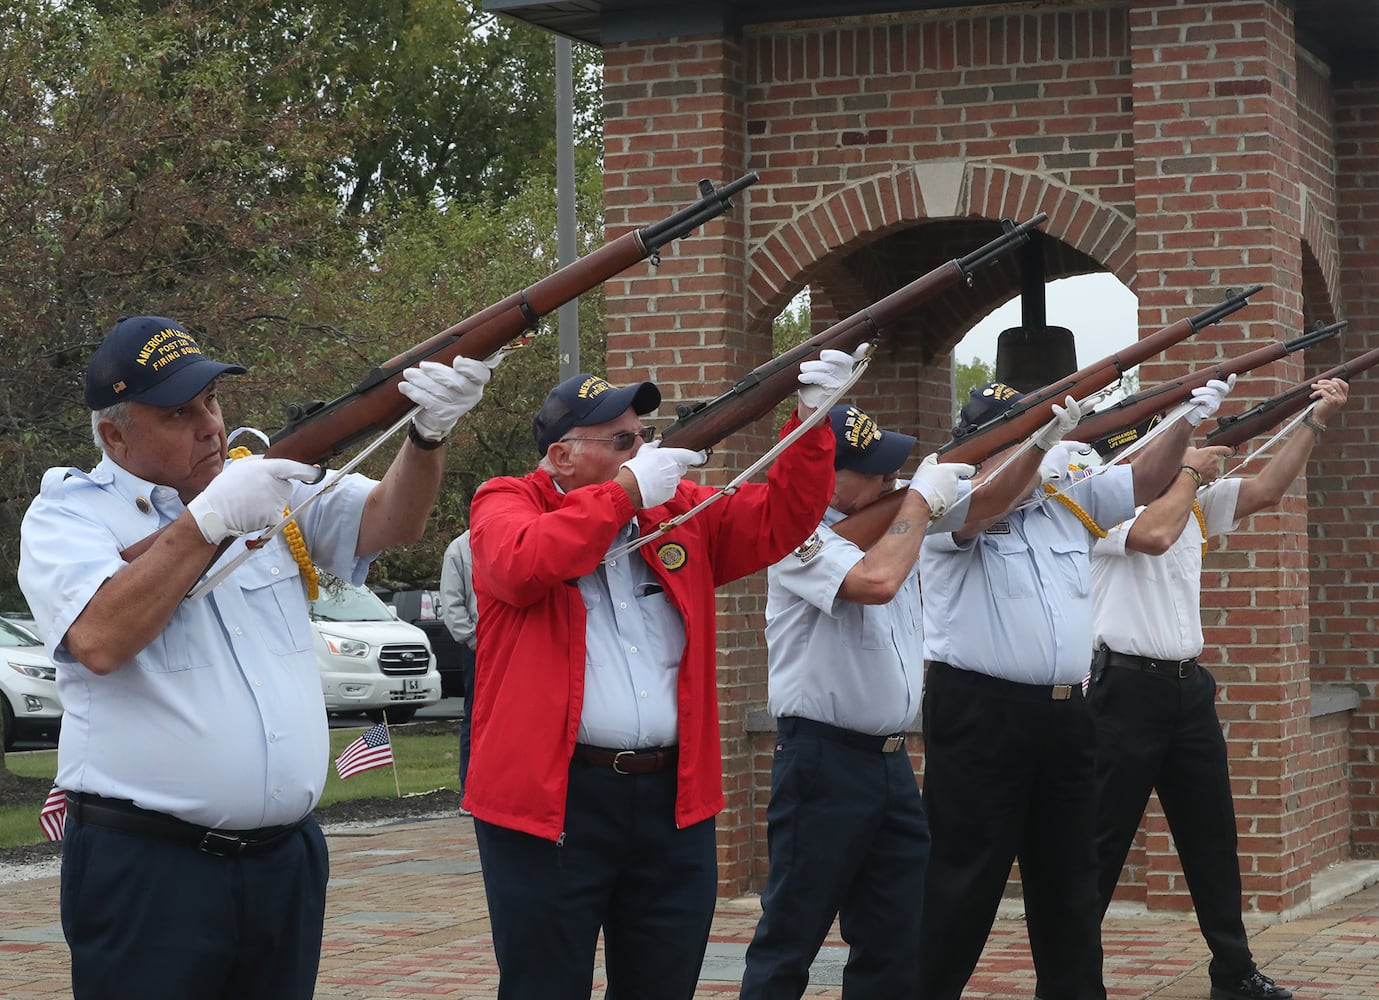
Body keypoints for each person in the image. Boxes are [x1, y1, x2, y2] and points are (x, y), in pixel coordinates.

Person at [17, 315, 489, 1000]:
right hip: (151, 868)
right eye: (179, 413)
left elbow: (392, 520)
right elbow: (100, 639)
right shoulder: (69, 515)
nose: (209, 425)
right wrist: (207, 520)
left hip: (282, 862)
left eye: (211, 401)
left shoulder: (261, 487)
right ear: (114, 434)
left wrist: (426, 434)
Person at [464, 347, 859, 1000]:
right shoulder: (506, 502)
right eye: (622, 441)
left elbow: (781, 521)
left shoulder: (678, 511)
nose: (642, 452)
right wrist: (624, 495)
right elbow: (524, 563)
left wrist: (812, 425)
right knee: (544, 985)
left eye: (643, 438)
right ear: (562, 455)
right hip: (554, 801)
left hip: (669, 802)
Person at [917, 377, 1234, 1000]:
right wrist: (1041, 440)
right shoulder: (944, 495)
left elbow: (1141, 484)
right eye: (1021, 433)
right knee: (962, 883)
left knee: (1070, 885)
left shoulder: (1066, 497)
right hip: (982, 712)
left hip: (1065, 713)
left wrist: (1183, 424)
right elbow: (992, 502)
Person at [1089, 378, 1350, 1000]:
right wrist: (1187, 474)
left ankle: (1232, 971)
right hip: (1120, 689)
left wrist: (1312, 421)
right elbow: (1153, 535)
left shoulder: (1192, 503)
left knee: (1212, 838)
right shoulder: (1096, 509)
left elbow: (1266, 488)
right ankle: (1073, 976)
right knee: (1099, 843)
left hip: (1185, 689)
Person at [739, 404, 976, 1000]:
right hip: (823, 758)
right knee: (791, 935)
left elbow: (992, 506)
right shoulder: (792, 534)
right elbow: (877, 582)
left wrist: (1034, 447)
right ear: (824, 473)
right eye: (872, 473)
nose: (889, 484)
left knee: (895, 941)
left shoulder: (888, 522)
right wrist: (919, 504)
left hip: (889, 763)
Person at [438, 528, 477, 793]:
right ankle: (471, 791)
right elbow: (452, 603)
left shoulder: (517, 535)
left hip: (518, 647)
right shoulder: (460, 547)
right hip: (481, 650)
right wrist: (474, 641)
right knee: (475, 718)